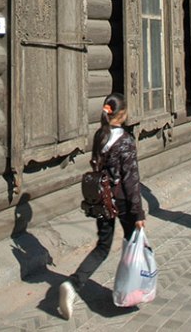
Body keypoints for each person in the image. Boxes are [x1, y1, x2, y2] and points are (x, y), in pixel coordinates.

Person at [58, 92, 145, 320]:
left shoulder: (100, 136)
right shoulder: (126, 141)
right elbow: (131, 180)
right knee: (132, 246)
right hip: (123, 201)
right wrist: (138, 212)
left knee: (102, 247)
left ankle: (73, 284)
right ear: (122, 114)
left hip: (103, 200)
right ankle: (129, 290)